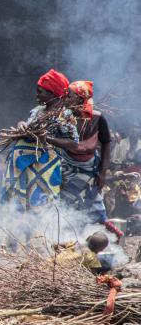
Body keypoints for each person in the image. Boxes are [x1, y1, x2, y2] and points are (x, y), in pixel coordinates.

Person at [1, 69, 78, 209]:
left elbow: (73, 144)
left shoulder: (65, 115)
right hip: (25, 164)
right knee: (22, 201)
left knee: (41, 203)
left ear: (52, 94)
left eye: (40, 91)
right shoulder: (37, 111)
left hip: (46, 166)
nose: (37, 94)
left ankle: (42, 230)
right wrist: (21, 125)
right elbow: (27, 125)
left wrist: (47, 139)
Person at [52, 80, 112, 225]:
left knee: (93, 205)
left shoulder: (97, 118)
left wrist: (103, 172)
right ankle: (65, 236)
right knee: (64, 204)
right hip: (66, 166)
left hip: (90, 168)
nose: (66, 98)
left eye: (70, 95)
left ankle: (94, 238)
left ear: (80, 98)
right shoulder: (61, 118)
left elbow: (106, 143)